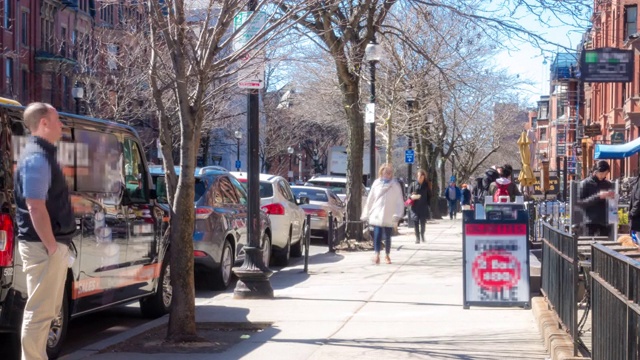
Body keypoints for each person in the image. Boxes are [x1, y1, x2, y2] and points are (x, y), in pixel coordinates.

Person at [14, 103, 75, 360]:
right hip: (43, 247)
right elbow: (35, 206)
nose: (62, 124)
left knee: (45, 312)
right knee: (40, 313)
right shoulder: (37, 158)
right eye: (57, 119)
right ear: (44, 123)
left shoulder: (40, 155)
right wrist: (51, 247)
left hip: (46, 246)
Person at [361, 163, 404, 264]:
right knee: (377, 233)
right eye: (386, 172)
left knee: (388, 236)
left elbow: (399, 200)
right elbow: (370, 198)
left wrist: (398, 214)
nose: (388, 174)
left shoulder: (395, 185)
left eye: (389, 172)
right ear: (381, 172)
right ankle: (376, 254)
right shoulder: (376, 183)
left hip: (389, 213)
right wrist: (366, 212)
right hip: (377, 212)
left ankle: (387, 255)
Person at [577, 160, 615, 237]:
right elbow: (581, 203)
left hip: (605, 221)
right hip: (590, 221)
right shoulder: (585, 183)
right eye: (601, 173)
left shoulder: (608, 184)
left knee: (604, 245)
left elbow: (612, 203)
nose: (603, 176)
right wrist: (598, 196)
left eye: (605, 174)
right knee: (589, 244)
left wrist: (612, 197)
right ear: (595, 171)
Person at [408, 169, 431, 244]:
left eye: (422, 176)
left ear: (424, 177)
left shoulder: (426, 185)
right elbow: (408, 194)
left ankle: (422, 234)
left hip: (423, 207)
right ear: (417, 176)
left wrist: (429, 205)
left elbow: (430, 196)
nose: (420, 177)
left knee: (423, 223)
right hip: (415, 207)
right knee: (416, 222)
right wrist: (411, 195)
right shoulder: (413, 184)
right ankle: (417, 238)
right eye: (419, 176)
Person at [629, 174, 640, 244]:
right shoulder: (637, 181)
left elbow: (638, 200)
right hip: (636, 218)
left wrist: (632, 213)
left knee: (637, 241)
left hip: (637, 218)